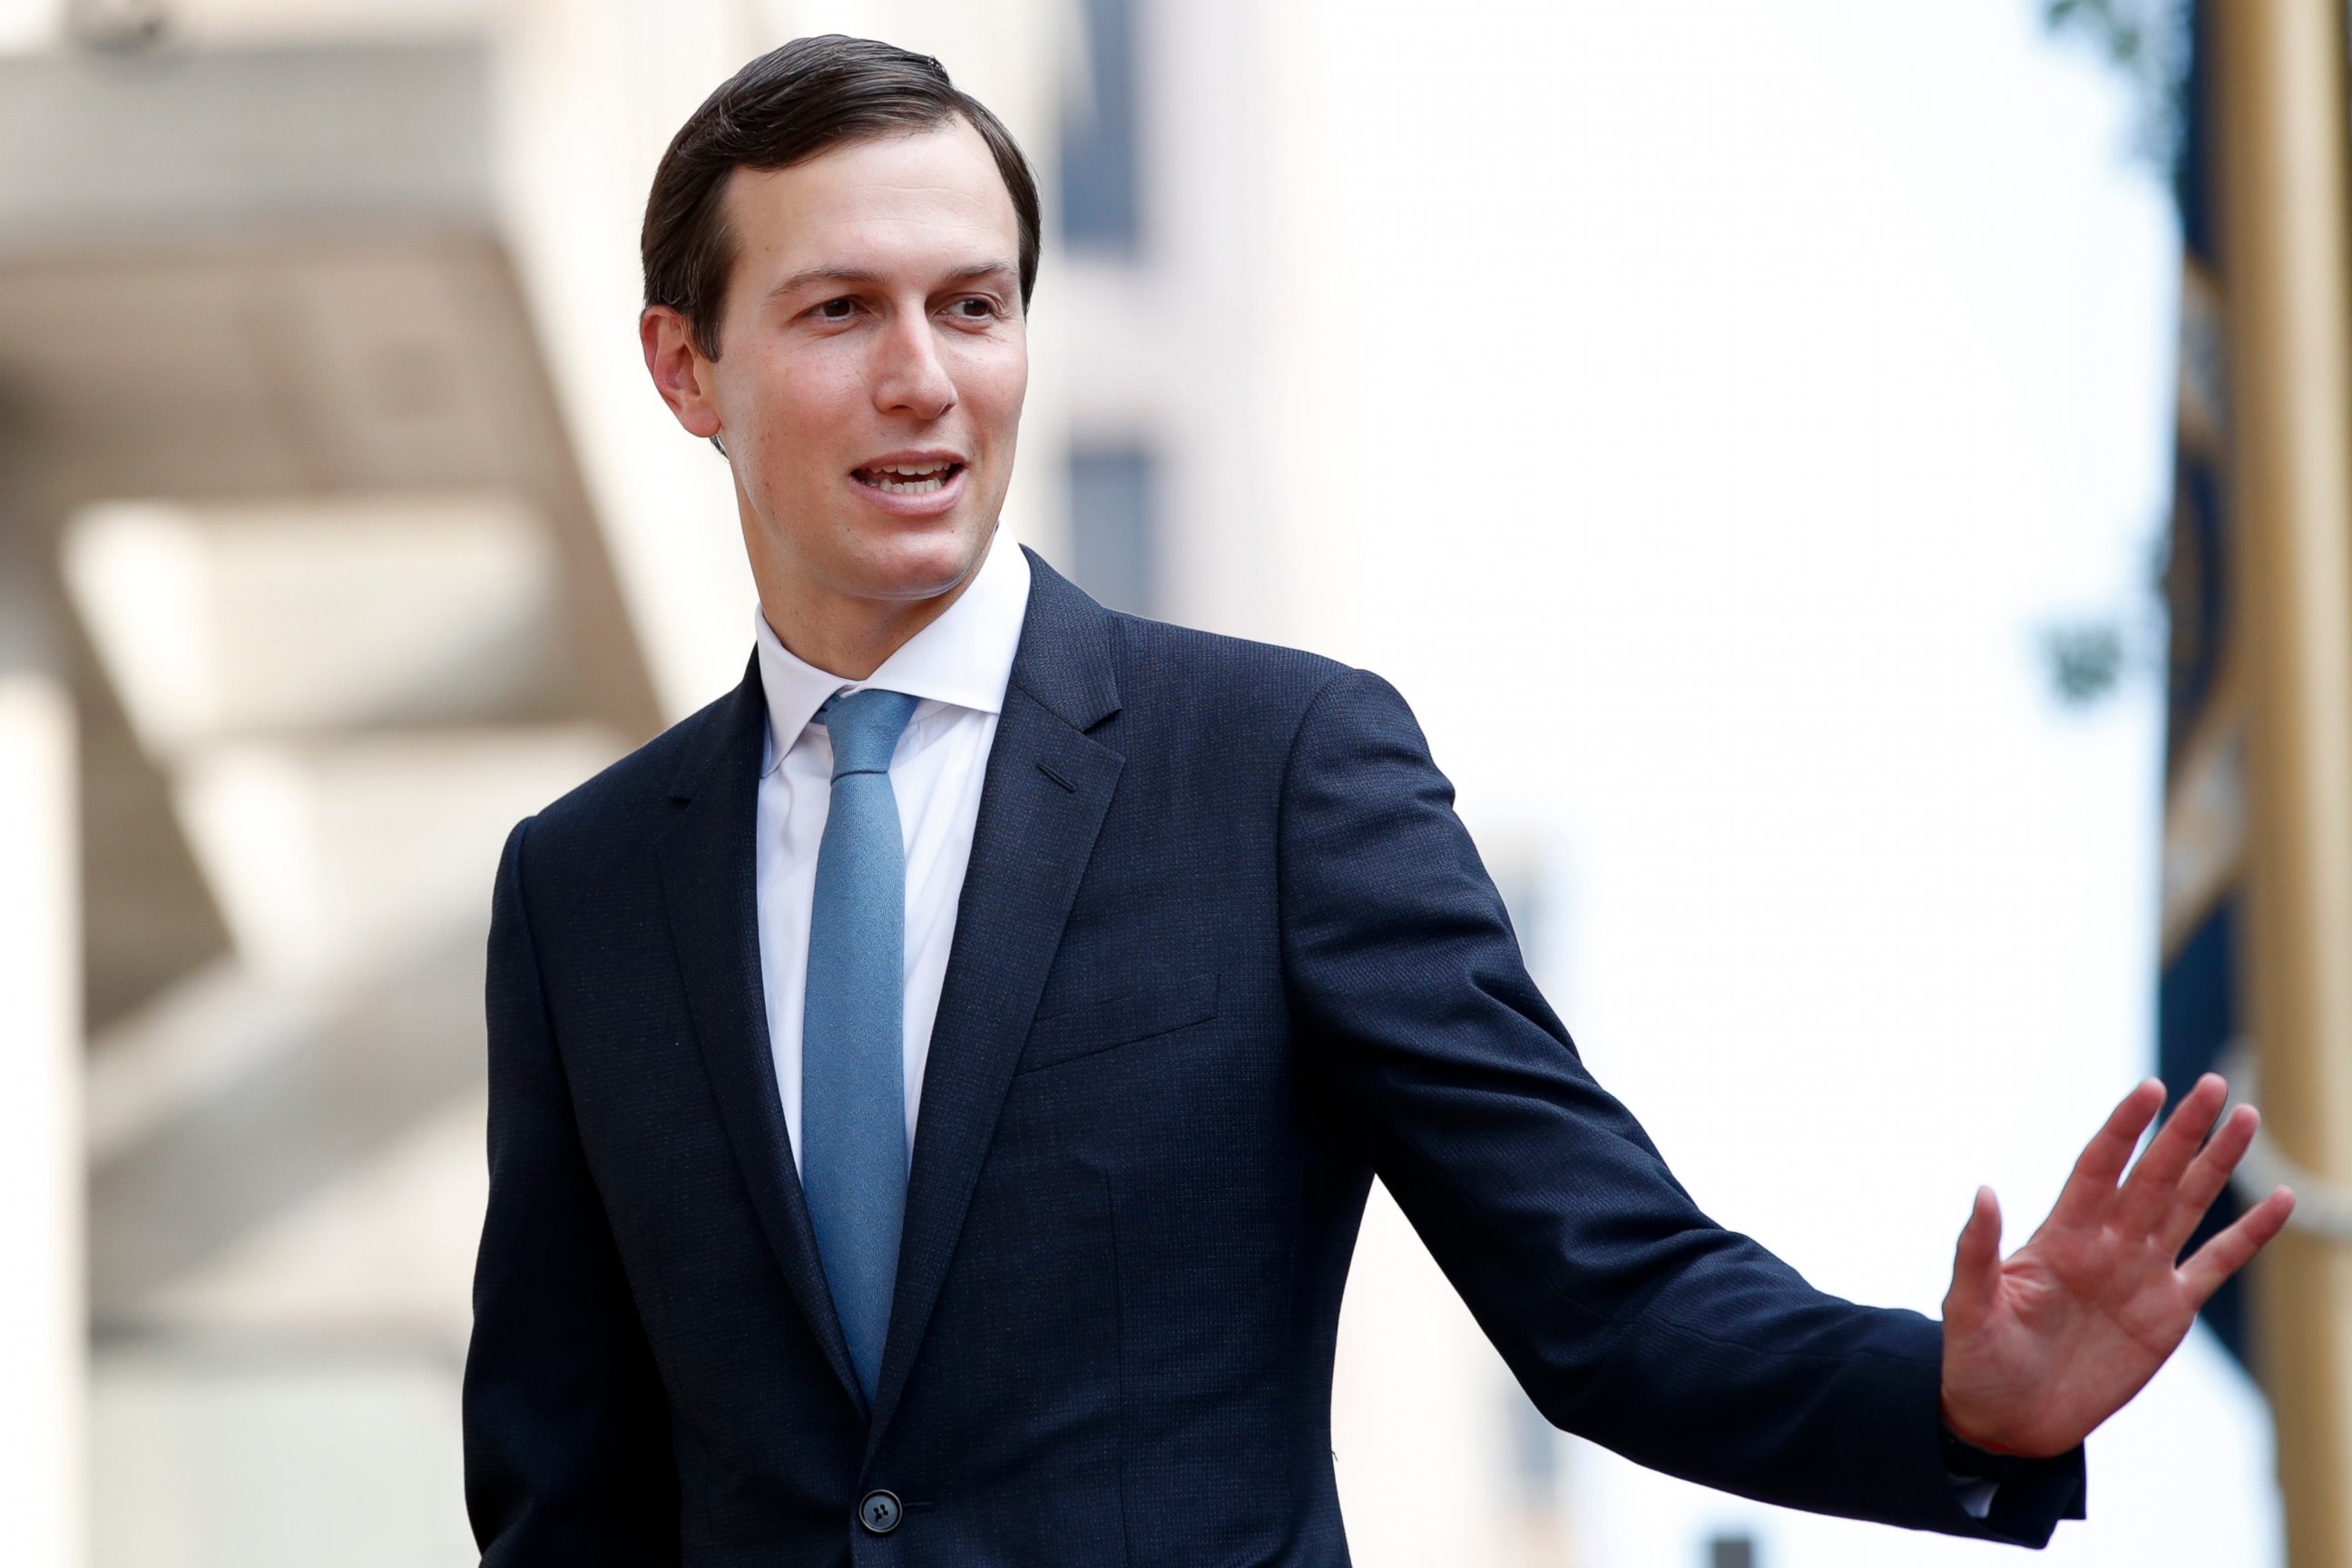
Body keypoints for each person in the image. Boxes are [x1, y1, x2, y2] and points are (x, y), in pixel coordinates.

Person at [462, 34, 2296, 1565]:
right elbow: (564, 1480)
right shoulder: (585, 888)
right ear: (685, 366)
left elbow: (1604, 1288)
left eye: (974, 304)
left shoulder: (1275, 772)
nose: (924, 377)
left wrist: (1951, 1401)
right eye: (840, 309)